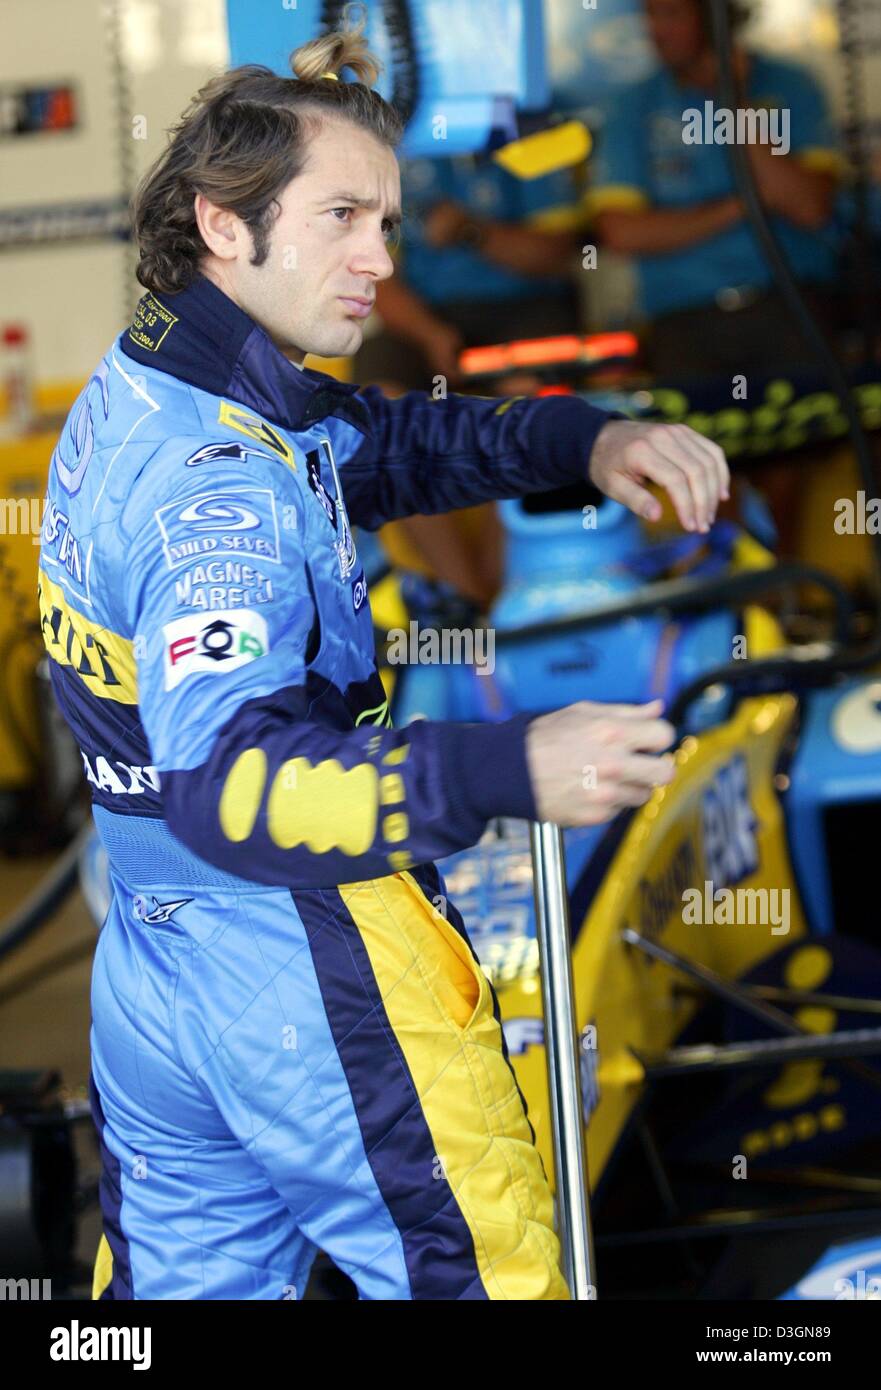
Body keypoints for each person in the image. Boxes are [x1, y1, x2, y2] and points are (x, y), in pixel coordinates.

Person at [40, 11, 727, 1300]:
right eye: (343, 217)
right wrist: (499, 763)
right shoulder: (216, 489)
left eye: (390, 222)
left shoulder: (163, 381)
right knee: (491, 1279)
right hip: (302, 947)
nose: (378, 256)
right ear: (223, 223)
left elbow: (382, 449)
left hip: (154, 958)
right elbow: (231, 788)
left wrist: (579, 439)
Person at [586, 0, 844, 375]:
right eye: (650, 15)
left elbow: (809, 208)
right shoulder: (631, 105)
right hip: (683, 317)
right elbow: (622, 233)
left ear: (714, 19)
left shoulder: (789, 84)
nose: (657, 30)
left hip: (789, 305)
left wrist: (734, 100)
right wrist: (746, 204)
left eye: (673, 14)